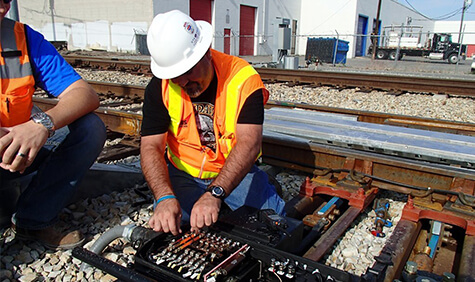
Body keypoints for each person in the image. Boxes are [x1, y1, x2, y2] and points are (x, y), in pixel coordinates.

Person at [141, 10, 285, 236]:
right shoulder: (159, 87)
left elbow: (249, 143)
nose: (182, 82)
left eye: (188, 71)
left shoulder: (244, 80)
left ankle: (264, 185)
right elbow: (151, 146)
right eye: (174, 76)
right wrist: (164, 197)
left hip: (232, 173)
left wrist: (215, 193)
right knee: (175, 227)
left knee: (274, 226)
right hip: (182, 173)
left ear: (207, 52)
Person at [0, 0, 106, 249]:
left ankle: (33, 218)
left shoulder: (22, 38)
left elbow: (85, 94)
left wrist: (41, 125)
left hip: (16, 150)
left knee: (90, 128)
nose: (2, 6)